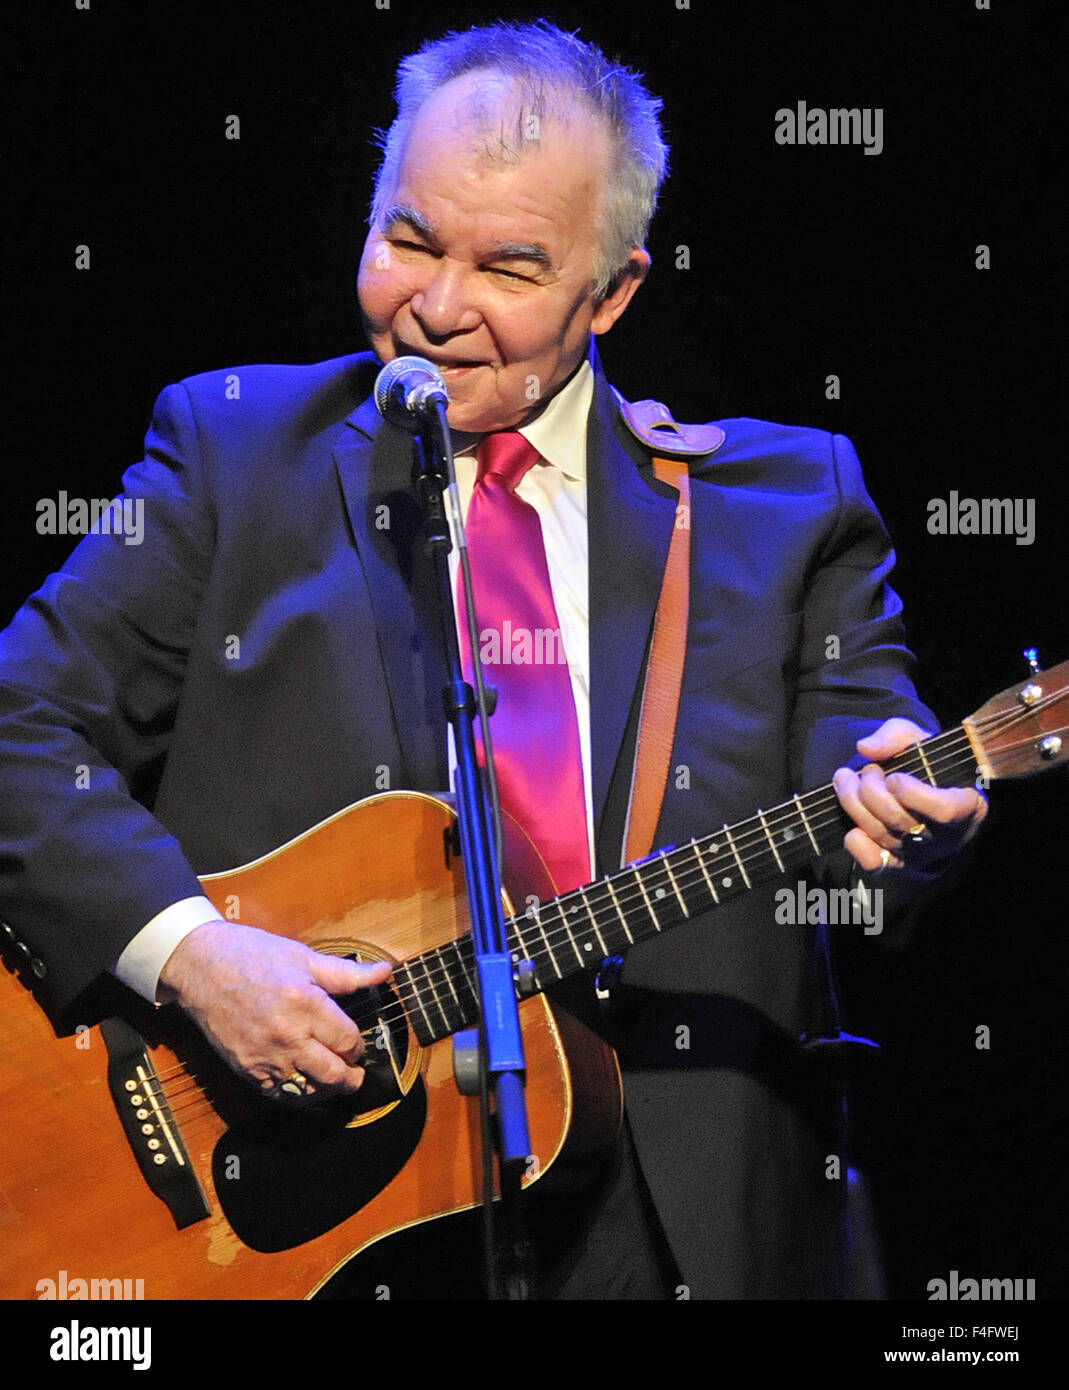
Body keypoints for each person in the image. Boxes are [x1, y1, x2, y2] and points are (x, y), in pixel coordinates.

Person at [0, 20, 985, 1298]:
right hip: (313, 1201)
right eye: (408, 240)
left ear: (613, 292)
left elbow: (866, 817)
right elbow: (20, 725)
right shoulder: (234, 454)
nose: (438, 307)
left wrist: (909, 826)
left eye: (509, 267)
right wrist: (193, 953)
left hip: (688, 1215)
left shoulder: (788, 505)